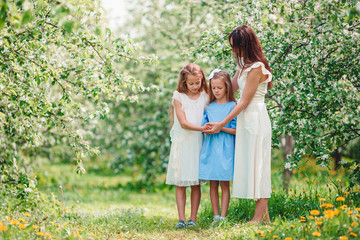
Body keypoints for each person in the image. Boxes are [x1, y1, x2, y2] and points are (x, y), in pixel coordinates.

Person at [204, 25, 273, 223]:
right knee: (252, 165)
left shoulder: (257, 67)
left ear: (246, 45)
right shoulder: (243, 66)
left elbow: (243, 101)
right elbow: (230, 89)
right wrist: (204, 96)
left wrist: (220, 124)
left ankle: (257, 218)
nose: (234, 51)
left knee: (259, 166)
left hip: (255, 119)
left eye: (237, 47)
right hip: (245, 120)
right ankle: (265, 217)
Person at [166, 63, 209, 229]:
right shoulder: (178, 96)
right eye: (191, 83)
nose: (195, 86)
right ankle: (181, 218)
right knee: (181, 181)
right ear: (184, 82)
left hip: (199, 143)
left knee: (195, 182)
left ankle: (193, 218)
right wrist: (202, 129)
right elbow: (183, 123)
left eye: (198, 83)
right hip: (184, 143)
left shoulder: (205, 95)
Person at [198, 69, 237, 226]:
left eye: (219, 88)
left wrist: (220, 127)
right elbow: (203, 127)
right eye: (213, 88)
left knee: (224, 183)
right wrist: (207, 127)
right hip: (211, 148)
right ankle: (215, 216)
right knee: (213, 184)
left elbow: (236, 130)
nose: (216, 91)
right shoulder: (209, 107)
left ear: (227, 87)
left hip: (226, 149)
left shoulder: (233, 106)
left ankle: (223, 216)